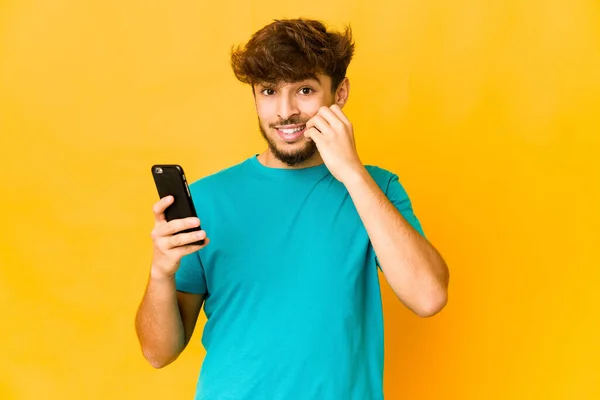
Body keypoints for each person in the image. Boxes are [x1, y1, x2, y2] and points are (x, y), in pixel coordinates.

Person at [135, 18, 449, 400]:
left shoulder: (376, 188)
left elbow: (428, 297)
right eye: (269, 91)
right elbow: (157, 352)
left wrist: (351, 172)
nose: (285, 111)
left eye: (304, 89)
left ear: (340, 93)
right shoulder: (206, 200)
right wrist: (161, 272)